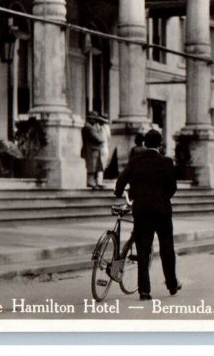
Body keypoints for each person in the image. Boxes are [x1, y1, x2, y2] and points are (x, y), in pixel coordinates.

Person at [114, 129, 181, 301]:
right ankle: (172, 284)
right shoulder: (166, 161)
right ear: (160, 145)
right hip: (162, 211)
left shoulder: (136, 161)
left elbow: (122, 179)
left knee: (143, 249)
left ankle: (144, 290)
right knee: (167, 248)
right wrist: (162, 198)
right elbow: (172, 187)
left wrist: (118, 192)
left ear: (144, 144)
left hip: (142, 210)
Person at [81, 111, 105, 190]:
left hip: (92, 149)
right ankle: (90, 182)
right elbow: (99, 138)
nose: (95, 121)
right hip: (91, 149)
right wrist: (100, 134)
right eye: (94, 119)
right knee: (92, 166)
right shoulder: (89, 127)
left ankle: (93, 181)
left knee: (94, 166)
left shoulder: (89, 127)